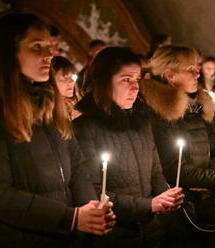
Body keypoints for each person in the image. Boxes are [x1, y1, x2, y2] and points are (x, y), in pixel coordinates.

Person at [0, 13, 115, 248]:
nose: (49, 55)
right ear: (8, 52)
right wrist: (70, 218)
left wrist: (92, 210)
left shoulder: (52, 105)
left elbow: (77, 166)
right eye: (37, 46)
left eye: (50, 46)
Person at [139, 45, 215, 248]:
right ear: (169, 75)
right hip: (178, 206)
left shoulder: (200, 105)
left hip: (208, 199)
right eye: (190, 69)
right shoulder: (158, 114)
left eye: (197, 67)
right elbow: (174, 167)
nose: (197, 73)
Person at [73, 46, 184, 248]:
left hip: (151, 231)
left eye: (137, 79)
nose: (135, 87)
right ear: (104, 82)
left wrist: (167, 198)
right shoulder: (85, 128)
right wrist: (149, 204)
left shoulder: (141, 122)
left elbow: (156, 173)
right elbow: (94, 191)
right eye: (126, 79)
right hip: (113, 235)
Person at [52, 56, 81, 120]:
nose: (71, 82)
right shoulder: (48, 110)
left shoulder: (77, 104)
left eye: (73, 77)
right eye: (65, 78)